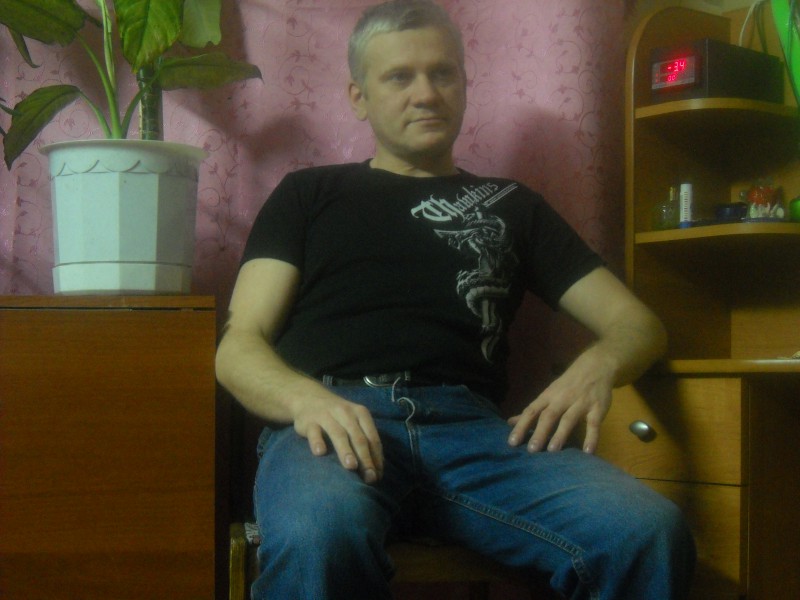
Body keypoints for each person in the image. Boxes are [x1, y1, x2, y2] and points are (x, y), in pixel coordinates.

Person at [215, 1, 696, 598]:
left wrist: (598, 364)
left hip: (478, 438)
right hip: (332, 422)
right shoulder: (308, 195)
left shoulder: (512, 206)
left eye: (442, 73)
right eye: (399, 77)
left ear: (464, 85)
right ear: (359, 96)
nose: (426, 94)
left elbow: (638, 324)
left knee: (645, 531)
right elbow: (239, 346)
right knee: (320, 533)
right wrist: (304, 399)